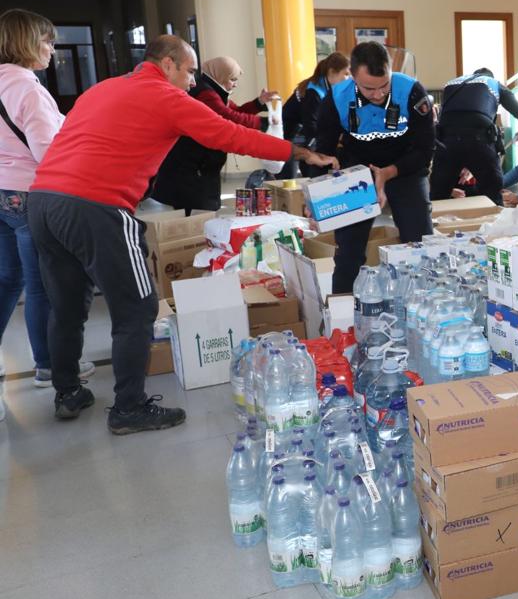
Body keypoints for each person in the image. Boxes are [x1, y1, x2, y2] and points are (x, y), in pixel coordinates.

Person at [27, 35, 337, 432]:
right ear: (168, 64)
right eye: (190, 72)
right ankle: (129, 408)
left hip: (44, 201)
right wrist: (299, 152)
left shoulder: (103, 88)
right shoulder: (164, 96)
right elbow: (228, 134)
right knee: (137, 307)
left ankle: (67, 390)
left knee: (67, 304)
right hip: (97, 206)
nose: (193, 81)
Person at [0, 9, 95, 402]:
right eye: (47, 41)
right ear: (26, 43)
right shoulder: (28, 88)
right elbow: (47, 151)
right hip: (29, 194)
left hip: (1, 192)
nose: (52, 50)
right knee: (41, 285)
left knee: (8, 280)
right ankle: (48, 365)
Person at [314, 41, 435, 293]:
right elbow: (323, 154)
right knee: (349, 252)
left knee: (420, 244)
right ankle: (343, 317)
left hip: (405, 169)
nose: (379, 94)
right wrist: (318, 198)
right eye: (369, 88)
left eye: (384, 86)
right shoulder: (336, 99)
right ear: (353, 77)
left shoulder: (412, 92)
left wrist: (388, 172)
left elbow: (424, 151)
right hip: (358, 173)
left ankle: (424, 304)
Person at [150, 56, 275, 213]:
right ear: (221, 75)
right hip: (192, 168)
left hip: (199, 167)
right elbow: (227, 116)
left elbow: (234, 111)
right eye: (232, 79)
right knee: (197, 213)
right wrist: (263, 123)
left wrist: (259, 103)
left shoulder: (213, 89)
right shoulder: (205, 93)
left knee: (200, 210)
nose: (235, 84)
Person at [430, 67, 518, 205]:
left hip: (446, 143)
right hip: (479, 141)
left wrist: (465, 160)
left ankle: (435, 225)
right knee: (493, 193)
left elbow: (454, 120)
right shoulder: (493, 83)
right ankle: (494, 225)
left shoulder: (452, 84)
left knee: (438, 195)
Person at [282, 52, 350, 179]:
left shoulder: (327, 88)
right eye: (346, 74)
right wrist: (319, 153)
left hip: (303, 136)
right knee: (288, 179)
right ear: (332, 72)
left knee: (312, 173)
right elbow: (311, 125)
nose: (349, 78)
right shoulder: (314, 92)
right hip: (289, 135)